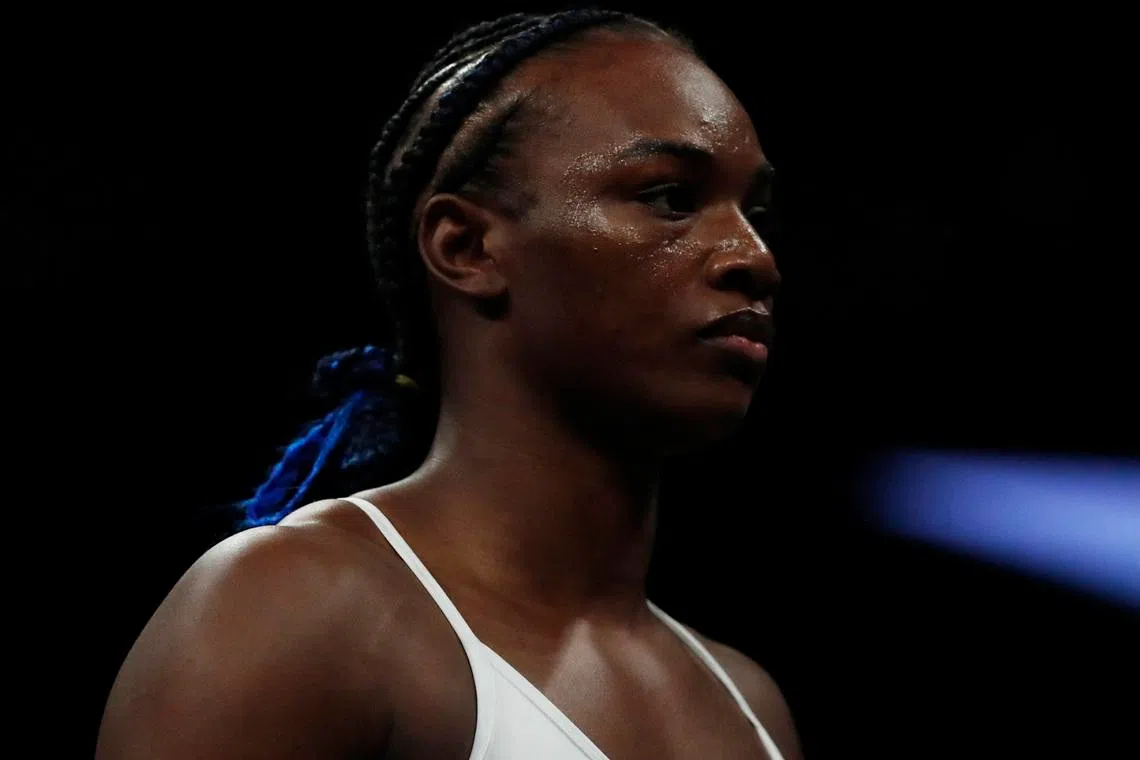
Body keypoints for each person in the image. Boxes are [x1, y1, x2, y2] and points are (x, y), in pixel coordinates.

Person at [96, 9, 801, 759]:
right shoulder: (298, 609)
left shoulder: (749, 708)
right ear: (467, 247)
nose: (755, 257)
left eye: (755, 212)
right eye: (671, 197)